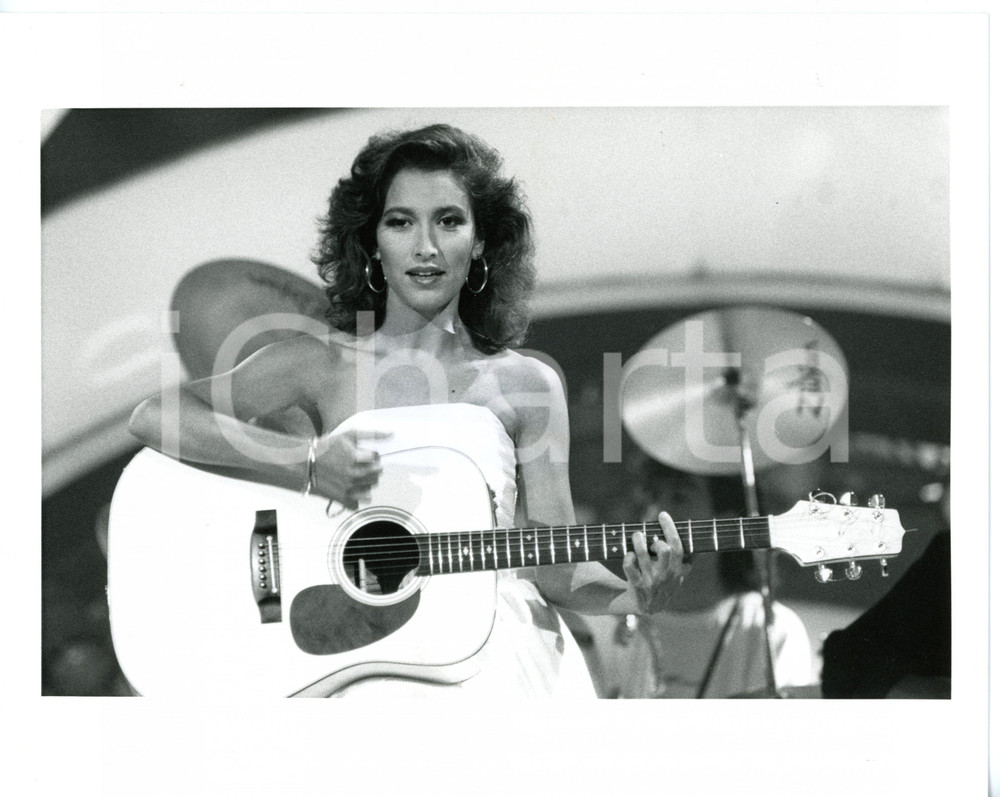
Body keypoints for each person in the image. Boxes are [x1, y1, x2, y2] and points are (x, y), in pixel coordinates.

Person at [128, 123, 689, 697]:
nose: (426, 246)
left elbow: (557, 566)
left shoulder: (528, 383)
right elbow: (155, 416)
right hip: (369, 669)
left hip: (502, 674)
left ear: (481, 242)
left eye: (449, 221)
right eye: (401, 222)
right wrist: (307, 460)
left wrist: (637, 595)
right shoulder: (318, 363)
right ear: (372, 241)